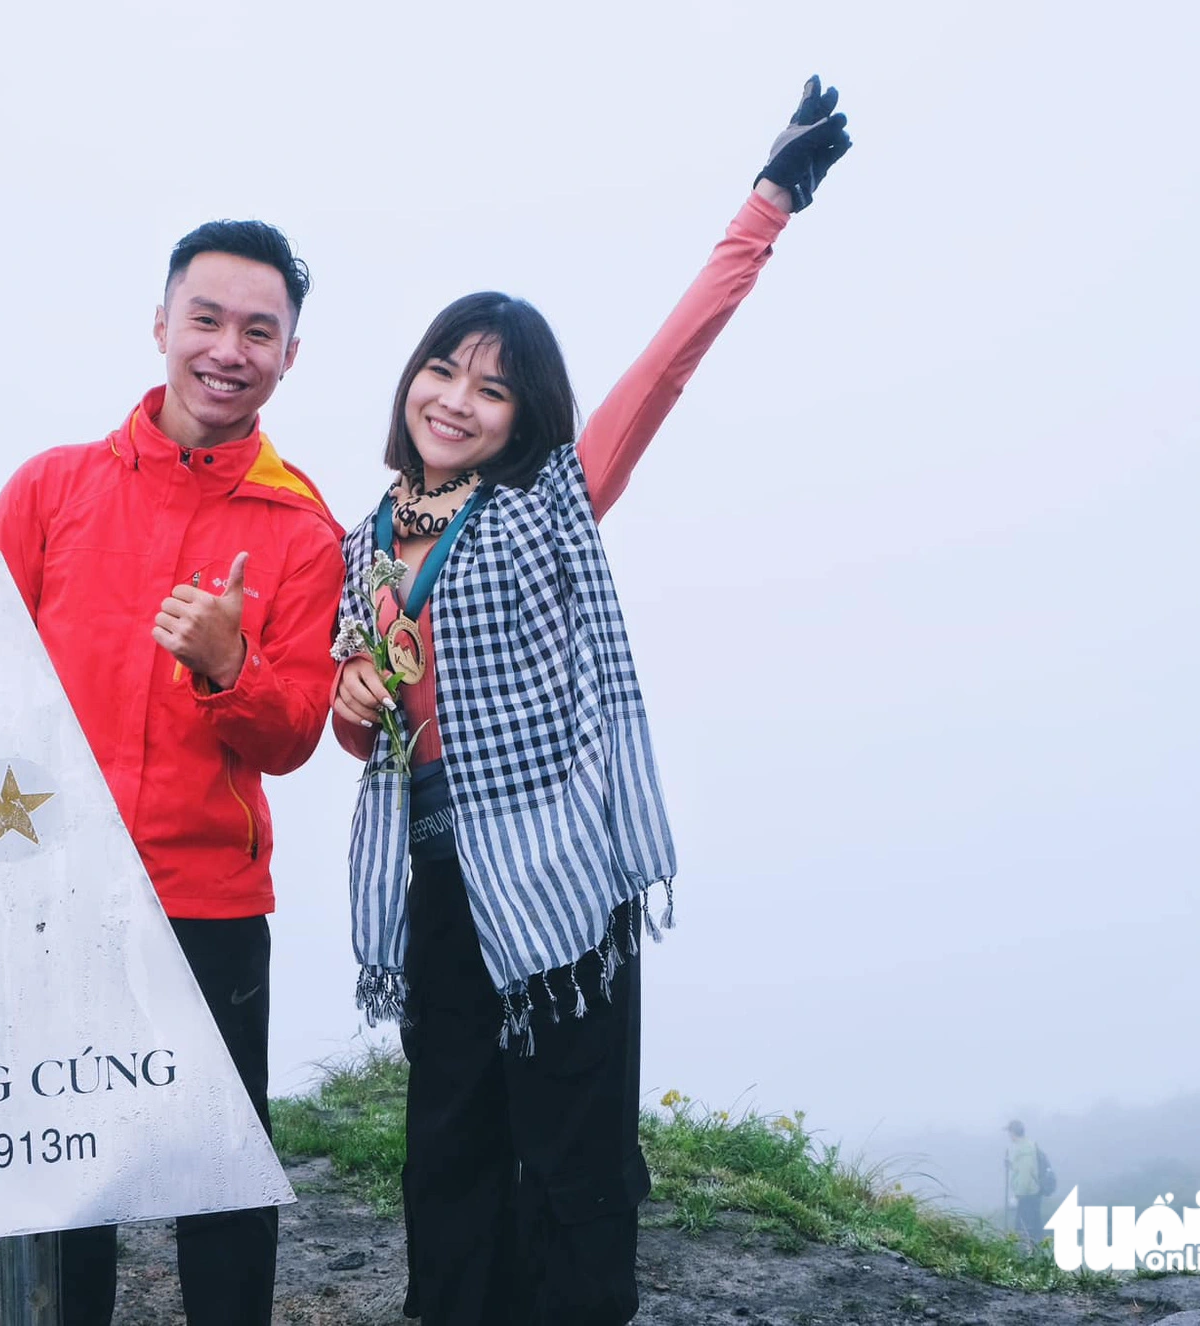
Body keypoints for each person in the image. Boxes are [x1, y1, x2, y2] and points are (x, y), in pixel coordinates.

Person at [328, 78, 853, 1324]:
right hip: (434, 864)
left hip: (556, 871)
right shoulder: (363, 542)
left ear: (524, 419)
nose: (453, 399)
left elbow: (669, 359)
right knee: (447, 1125)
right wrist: (357, 697)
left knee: (570, 1134)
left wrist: (766, 202)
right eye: (441, 370)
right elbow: (362, 734)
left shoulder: (547, 505)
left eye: (489, 388)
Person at [0, 220, 344, 1326]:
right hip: (49, 899)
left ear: (288, 356)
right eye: (206, 319)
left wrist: (228, 672)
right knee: (64, 1173)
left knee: (218, 1185)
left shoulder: (302, 531)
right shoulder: (50, 489)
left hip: (209, 905)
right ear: (160, 324)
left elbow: (295, 734)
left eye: (257, 331)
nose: (227, 349)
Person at [1006, 1119, 1053, 1252]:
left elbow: (1025, 1175)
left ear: (1013, 1132)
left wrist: (1017, 1196)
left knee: (1023, 1229)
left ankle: (1025, 1257)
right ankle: (1038, 1256)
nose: (1009, 1136)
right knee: (1035, 1228)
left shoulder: (1023, 1150)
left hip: (1028, 1195)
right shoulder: (1030, 1146)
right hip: (1034, 1193)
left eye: (1009, 1132)